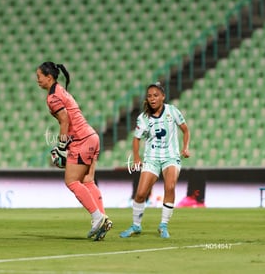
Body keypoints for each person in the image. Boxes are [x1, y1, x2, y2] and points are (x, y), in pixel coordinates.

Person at [36, 62, 112, 241]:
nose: (37, 80)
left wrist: (62, 147)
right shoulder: (61, 90)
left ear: (49, 77)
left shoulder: (53, 96)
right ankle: (103, 218)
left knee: (71, 181)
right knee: (87, 180)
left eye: (39, 76)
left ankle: (97, 217)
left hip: (82, 140)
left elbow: (65, 120)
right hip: (91, 136)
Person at [120, 82, 190, 238]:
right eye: (149, 96)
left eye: (156, 95)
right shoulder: (143, 118)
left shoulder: (172, 111)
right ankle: (136, 226)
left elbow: (185, 129)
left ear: (163, 97)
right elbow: (136, 139)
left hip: (170, 157)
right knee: (140, 194)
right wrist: (137, 157)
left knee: (170, 187)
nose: (152, 99)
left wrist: (185, 147)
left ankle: (163, 225)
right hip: (152, 158)